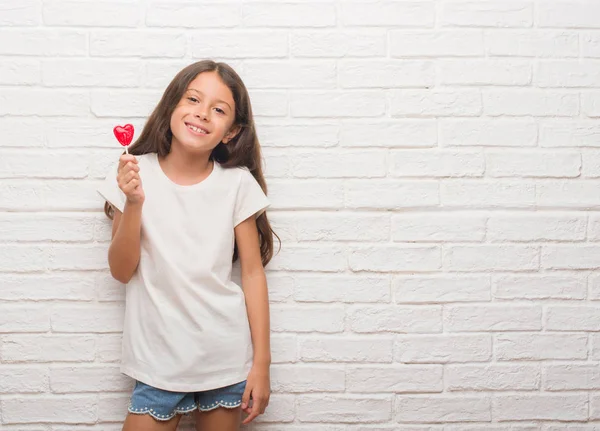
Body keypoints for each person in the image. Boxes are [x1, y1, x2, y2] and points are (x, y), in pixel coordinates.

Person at [97, 60, 279, 431]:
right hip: (156, 363)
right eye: (193, 99)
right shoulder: (134, 172)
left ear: (231, 132)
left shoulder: (238, 184)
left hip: (224, 360)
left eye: (219, 109)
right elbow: (120, 270)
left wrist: (261, 364)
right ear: (172, 107)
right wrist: (133, 203)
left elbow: (252, 275)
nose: (202, 113)